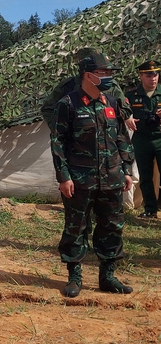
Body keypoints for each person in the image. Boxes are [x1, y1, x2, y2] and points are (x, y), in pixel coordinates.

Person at [49, 51, 135, 298]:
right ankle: (75, 277)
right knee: (76, 228)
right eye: (104, 73)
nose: (109, 77)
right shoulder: (68, 104)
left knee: (111, 227)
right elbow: (58, 143)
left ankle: (108, 277)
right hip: (79, 181)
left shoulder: (112, 103)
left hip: (111, 178)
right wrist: (63, 176)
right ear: (89, 76)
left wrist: (126, 169)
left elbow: (120, 138)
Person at [41, 47, 135, 131]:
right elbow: (47, 109)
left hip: (107, 141)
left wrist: (108, 118)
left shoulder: (110, 85)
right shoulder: (68, 86)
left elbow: (125, 109)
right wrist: (61, 128)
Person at [125, 60, 161, 218]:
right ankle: (150, 209)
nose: (153, 78)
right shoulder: (131, 95)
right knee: (145, 176)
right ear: (140, 76)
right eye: (148, 75)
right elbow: (121, 110)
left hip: (160, 138)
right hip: (141, 139)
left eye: (155, 74)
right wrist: (127, 118)